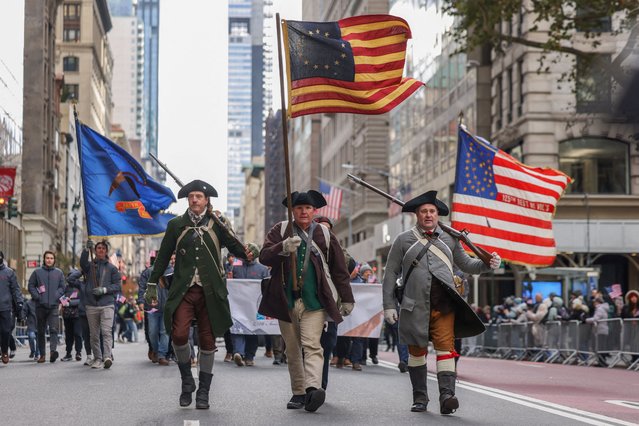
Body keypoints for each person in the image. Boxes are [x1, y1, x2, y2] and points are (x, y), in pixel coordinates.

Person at [382, 190, 500, 415]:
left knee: (446, 351)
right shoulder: (403, 240)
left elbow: (467, 264)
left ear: (438, 214)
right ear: (416, 215)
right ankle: (420, 398)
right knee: (416, 354)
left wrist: (488, 263)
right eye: (424, 211)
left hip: (444, 307)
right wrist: (388, 305)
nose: (428, 215)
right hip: (413, 306)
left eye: (432, 211)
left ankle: (447, 396)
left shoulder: (450, 238)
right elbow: (390, 274)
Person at [144, 179, 251, 410]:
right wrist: (152, 282)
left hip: (211, 292)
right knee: (179, 335)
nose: (194, 200)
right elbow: (163, 256)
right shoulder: (176, 225)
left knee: (207, 341)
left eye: (199, 197)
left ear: (206, 201)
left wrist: (250, 250)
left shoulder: (217, 224)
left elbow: (236, 248)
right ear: (187, 200)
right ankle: (186, 381)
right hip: (183, 290)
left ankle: (203, 391)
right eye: (191, 196)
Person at [259, 190, 355, 412]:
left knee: (312, 345)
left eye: (308, 208)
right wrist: (282, 248)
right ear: (293, 210)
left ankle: (313, 388)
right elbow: (263, 256)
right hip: (286, 300)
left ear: (314, 211)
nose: (304, 211)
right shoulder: (280, 230)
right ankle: (299, 392)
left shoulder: (325, 234)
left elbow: (339, 269)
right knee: (292, 349)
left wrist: (347, 298)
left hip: (315, 301)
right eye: (299, 208)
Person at [80, 240, 122, 369]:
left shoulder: (112, 269)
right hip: (91, 305)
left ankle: (107, 356)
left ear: (106, 251)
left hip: (107, 304)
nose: (100, 250)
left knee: (106, 331)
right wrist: (86, 250)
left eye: (103, 248)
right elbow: (82, 263)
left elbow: (117, 286)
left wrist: (105, 290)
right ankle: (97, 358)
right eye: (98, 248)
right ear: (96, 250)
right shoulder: (90, 266)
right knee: (94, 334)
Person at [230, 243, 269, 367]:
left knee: (253, 331)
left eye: (249, 252)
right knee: (237, 328)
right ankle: (238, 353)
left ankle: (249, 356)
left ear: (255, 254)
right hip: (239, 305)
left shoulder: (262, 269)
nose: (246, 254)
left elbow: (266, 286)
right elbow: (231, 282)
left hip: (255, 307)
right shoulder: (236, 266)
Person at [27, 251, 65, 363]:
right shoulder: (37, 272)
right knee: (41, 331)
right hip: (40, 306)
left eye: (51, 258)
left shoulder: (59, 273)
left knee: (53, 330)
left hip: (53, 306)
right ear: (44, 259)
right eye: (47, 258)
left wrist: (56, 295)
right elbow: (31, 285)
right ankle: (42, 355)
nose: (49, 260)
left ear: (54, 260)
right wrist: (37, 296)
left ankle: (53, 352)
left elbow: (62, 287)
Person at [139, 253, 173, 366]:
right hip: (152, 308)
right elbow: (142, 288)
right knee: (152, 332)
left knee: (165, 331)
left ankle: (162, 355)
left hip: (167, 308)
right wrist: (141, 302)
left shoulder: (172, 271)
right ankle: (156, 350)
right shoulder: (149, 272)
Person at [0, 251, 23, 364]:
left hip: (6, 307)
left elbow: (16, 289)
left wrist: (19, 302)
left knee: (5, 331)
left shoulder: (9, 273)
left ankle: (4, 351)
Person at [60, 269, 83, 361]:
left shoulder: (80, 286)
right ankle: (68, 353)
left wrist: (70, 303)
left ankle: (78, 352)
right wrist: (65, 301)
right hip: (67, 315)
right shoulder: (65, 288)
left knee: (78, 334)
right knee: (68, 335)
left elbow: (82, 300)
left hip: (77, 315)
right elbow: (60, 297)